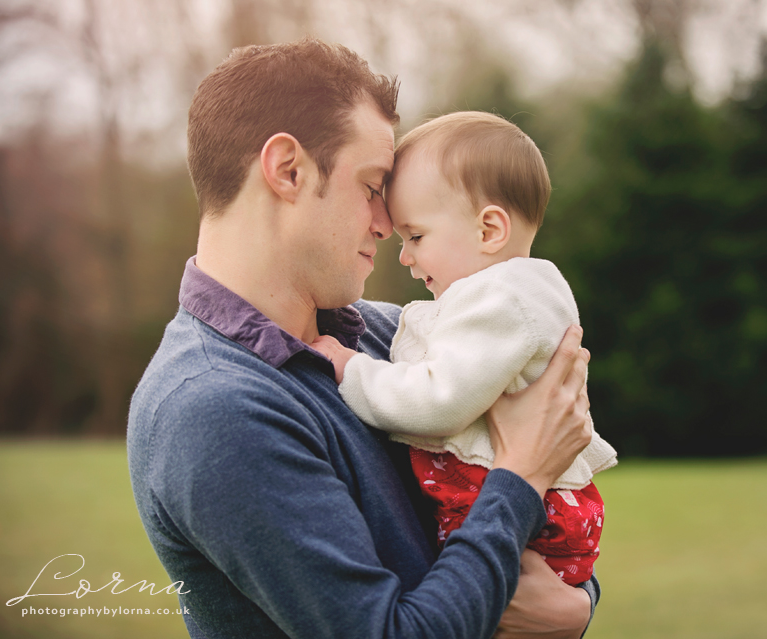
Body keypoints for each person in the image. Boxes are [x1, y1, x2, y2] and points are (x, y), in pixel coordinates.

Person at [127, 39, 597, 639]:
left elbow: (557, 521)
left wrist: (577, 606)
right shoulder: (212, 408)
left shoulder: (388, 332)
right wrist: (522, 475)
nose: (386, 223)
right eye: (374, 187)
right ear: (288, 170)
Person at [311, 111, 617, 587]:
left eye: (416, 236)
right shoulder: (515, 295)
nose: (404, 256)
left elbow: (437, 400)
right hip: (531, 507)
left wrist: (353, 370)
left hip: (521, 513)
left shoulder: (501, 301)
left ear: (489, 230)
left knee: (463, 606)